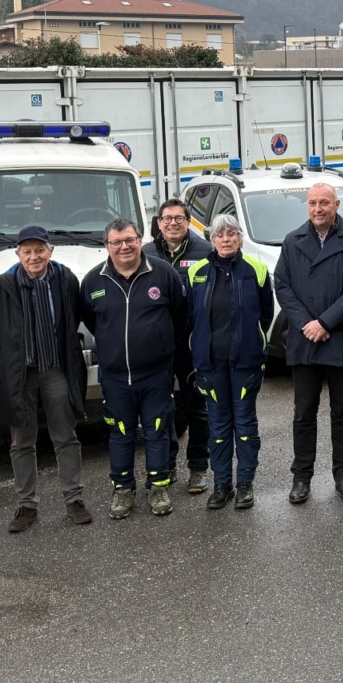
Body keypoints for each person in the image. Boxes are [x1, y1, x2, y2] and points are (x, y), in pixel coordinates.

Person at [80, 218, 191, 520]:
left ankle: (158, 487)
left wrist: (159, 347)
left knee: (157, 431)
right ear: (107, 246)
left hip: (156, 374)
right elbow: (92, 320)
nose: (124, 247)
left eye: (130, 240)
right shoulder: (93, 281)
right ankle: (123, 489)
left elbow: (180, 318)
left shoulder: (164, 274)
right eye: (116, 242)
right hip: (115, 376)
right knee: (120, 433)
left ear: (140, 240)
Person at [0, 226, 92, 533]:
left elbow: (74, 319)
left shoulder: (66, 280)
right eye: (27, 251)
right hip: (21, 375)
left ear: (51, 250)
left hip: (56, 370)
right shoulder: (2, 285)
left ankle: (74, 500)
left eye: (39, 250)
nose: (34, 257)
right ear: (18, 254)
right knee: (22, 442)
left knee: (66, 436)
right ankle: (27, 506)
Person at [275, 182, 343, 505]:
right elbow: (282, 286)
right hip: (305, 339)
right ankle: (301, 477)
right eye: (313, 203)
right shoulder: (292, 241)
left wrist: (326, 322)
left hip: (340, 338)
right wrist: (308, 323)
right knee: (304, 413)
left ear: (336, 205)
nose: (318, 209)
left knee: (342, 411)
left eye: (324, 203)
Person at [186, 214, 273, 510]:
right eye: (220, 235)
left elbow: (265, 314)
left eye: (231, 234)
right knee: (218, 426)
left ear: (239, 238)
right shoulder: (197, 271)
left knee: (245, 424)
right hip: (211, 364)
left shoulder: (257, 269)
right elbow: (191, 317)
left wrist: (251, 341)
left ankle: (245, 483)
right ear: (212, 239)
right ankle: (222, 484)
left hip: (246, 363)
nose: (226, 239)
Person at [143, 198, 212, 495]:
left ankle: (198, 467)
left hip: (192, 346)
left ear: (187, 221)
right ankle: (166, 465)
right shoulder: (144, 254)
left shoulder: (206, 252)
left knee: (197, 407)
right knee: (162, 409)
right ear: (159, 223)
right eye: (167, 218)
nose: (173, 223)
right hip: (158, 348)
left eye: (179, 218)